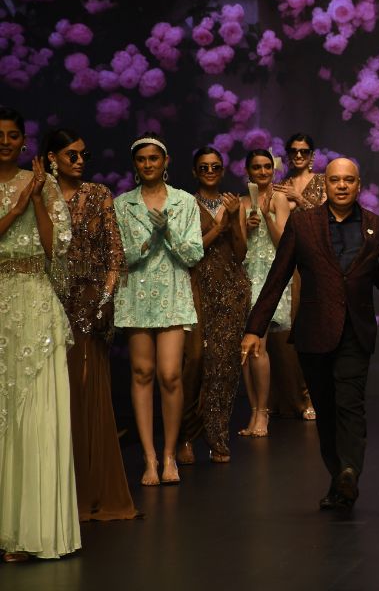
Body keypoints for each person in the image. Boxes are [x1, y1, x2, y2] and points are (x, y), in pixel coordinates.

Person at [241, 157, 379, 511]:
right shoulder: (303, 224)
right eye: (335, 180)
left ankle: (349, 471)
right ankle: (339, 477)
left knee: (350, 403)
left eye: (348, 180)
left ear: (358, 185)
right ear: (326, 184)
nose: (341, 185)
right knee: (325, 407)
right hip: (315, 330)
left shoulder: (377, 227)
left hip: (355, 331)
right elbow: (278, 276)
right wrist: (254, 328)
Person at [43, 128, 138, 520]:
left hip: (90, 304)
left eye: (84, 154)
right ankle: (55, 496)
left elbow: (115, 253)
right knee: (54, 393)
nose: (80, 161)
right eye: (72, 155)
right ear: (52, 158)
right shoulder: (41, 194)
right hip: (49, 303)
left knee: (87, 387)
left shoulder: (98, 194)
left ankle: (92, 489)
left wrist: (103, 300)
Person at [0, 107, 81, 560]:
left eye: (13, 135)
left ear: (24, 141)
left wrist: (34, 199)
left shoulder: (45, 186)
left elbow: (55, 250)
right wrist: (15, 206)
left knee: (34, 412)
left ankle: (30, 532)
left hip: (35, 300)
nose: (5, 142)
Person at [114, 132, 203, 485]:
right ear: (135, 165)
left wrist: (168, 234)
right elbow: (120, 256)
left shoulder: (184, 202)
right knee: (141, 372)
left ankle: (169, 455)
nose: (148, 164)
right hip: (136, 294)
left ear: (165, 162)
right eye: (142, 159)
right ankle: (149, 458)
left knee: (170, 374)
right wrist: (149, 240)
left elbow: (194, 254)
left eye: (154, 158)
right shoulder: (123, 205)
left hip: (173, 293)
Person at [177, 147, 250, 464]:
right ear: (195, 171)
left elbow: (241, 252)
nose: (210, 171)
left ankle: (218, 436)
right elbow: (189, 251)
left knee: (224, 367)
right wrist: (219, 226)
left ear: (222, 170)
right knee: (194, 363)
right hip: (196, 289)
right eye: (204, 167)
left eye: (215, 167)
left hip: (231, 290)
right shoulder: (185, 204)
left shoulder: (234, 203)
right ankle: (186, 436)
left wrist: (233, 219)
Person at [238, 149, 311, 437]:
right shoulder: (242, 202)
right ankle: (254, 409)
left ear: (273, 169)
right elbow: (236, 248)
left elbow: (284, 243)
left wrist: (267, 217)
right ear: (248, 171)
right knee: (245, 349)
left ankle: (263, 413)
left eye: (267, 166)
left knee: (259, 345)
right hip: (245, 277)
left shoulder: (279, 199)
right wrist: (245, 227)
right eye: (256, 167)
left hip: (271, 277)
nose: (263, 171)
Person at [273, 132, 326, 211]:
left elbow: (324, 215)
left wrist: (298, 197)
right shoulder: (282, 185)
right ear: (289, 155)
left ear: (312, 155)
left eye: (304, 151)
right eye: (293, 151)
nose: (298, 155)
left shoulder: (322, 181)